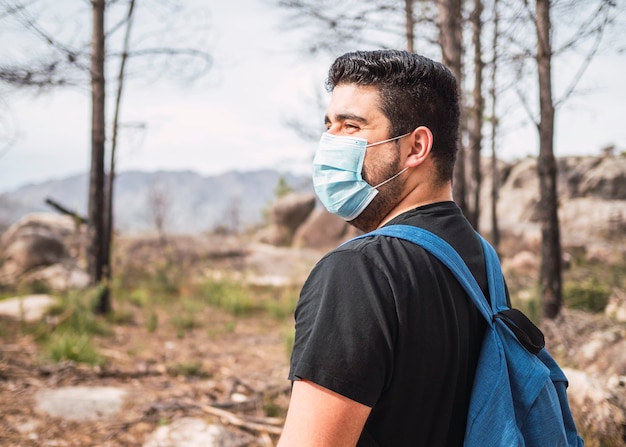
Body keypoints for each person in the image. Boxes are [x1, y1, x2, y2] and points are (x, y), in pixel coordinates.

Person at [277, 49, 490, 447]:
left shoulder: (359, 271)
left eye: (351, 126)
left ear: (415, 148)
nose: (330, 143)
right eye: (329, 125)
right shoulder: (478, 257)